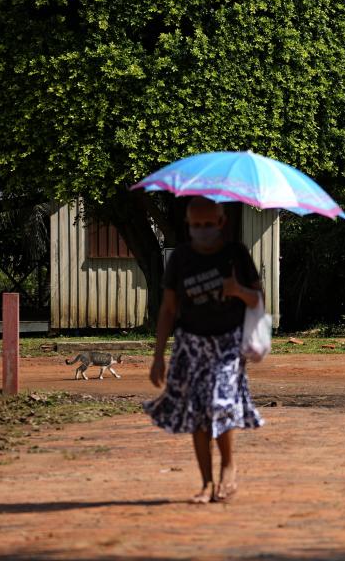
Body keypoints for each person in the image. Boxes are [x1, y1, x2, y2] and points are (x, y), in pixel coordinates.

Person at [144, 196, 264, 504]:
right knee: (197, 413)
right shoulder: (181, 258)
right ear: (188, 225)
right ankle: (206, 483)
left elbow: (257, 300)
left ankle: (228, 465)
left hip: (227, 343)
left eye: (208, 224)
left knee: (219, 402)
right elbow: (169, 310)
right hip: (190, 343)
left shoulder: (235, 254)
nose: (202, 230)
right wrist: (158, 356)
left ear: (221, 223)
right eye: (196, 225)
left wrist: (237, 290)